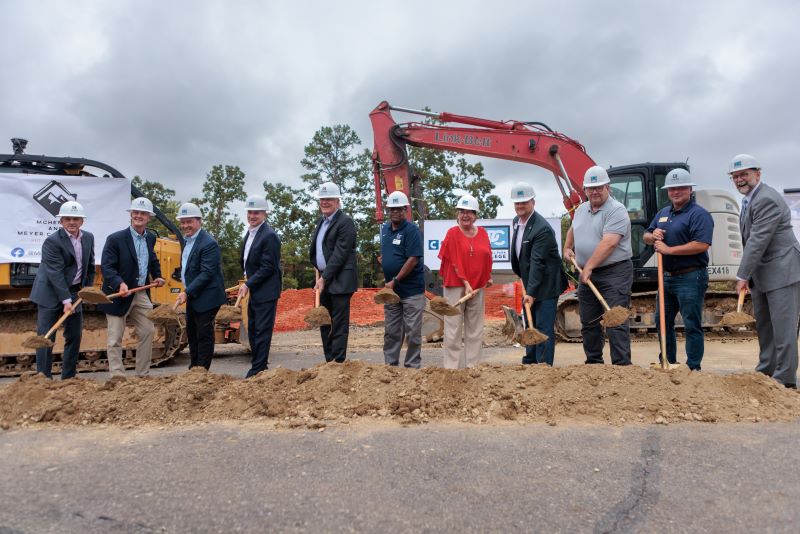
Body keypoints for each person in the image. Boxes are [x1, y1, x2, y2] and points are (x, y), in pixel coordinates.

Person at [730, 154, 800, 388]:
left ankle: (785, 380)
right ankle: (766, 371)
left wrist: (742, 275)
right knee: (766, 327)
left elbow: (758, 240)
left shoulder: (766, 199)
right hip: (763, 273)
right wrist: (749, 274)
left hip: (782, 271)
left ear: (757, 174)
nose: (740, 179)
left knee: (783, 329)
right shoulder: (749, 199)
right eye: (736, 176)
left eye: (744, 174)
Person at [643, 169, 713, 371]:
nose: (676, 192)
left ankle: (693, 368)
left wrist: (669, 250)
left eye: (681, 188)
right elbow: (647, 235)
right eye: (672, 189)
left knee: (692, 323)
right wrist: (652, 235)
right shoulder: (664, 213)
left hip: (691, 276)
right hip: (666, 277)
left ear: (690, 189)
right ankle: (668, 361)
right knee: (662, 322)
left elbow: (702, 244)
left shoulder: (699, 214)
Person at [563, 166, 633, 366]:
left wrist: (589, 267)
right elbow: (574, 230)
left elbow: (609, 243)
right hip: (588, 273)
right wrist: (567, 248)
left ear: (608, 187)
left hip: (615, 273)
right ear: (584, 189)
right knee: (589, 322)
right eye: (590, 188)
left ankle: (621, 367)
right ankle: (594, 363)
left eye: (599, 187)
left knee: (615, 320)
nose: (594, 191)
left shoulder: (616, 210)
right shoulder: (581, 210)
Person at [99, 197, 166, 377]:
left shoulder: (150, 238)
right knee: (115, 338)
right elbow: (107, 267)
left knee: (148, 331)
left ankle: (142, 374)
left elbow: (152, 259)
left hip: (140, 292)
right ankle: (118, 376)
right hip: (118, 293)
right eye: (135, 212)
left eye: (142, 213)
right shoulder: (115, 239)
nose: (138, 216)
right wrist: (120, 283)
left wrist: (158, 275)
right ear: (131, 215)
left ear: (148, 217)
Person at [29, 200, 95, 379]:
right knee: (46, 337)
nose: (72, 222)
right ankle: (43, 378)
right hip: (50, 292)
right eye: (67, 219)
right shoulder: (52, 242)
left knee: (74, 336)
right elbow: (55, 273)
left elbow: (89, 266)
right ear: (61, 221)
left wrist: (86, 290)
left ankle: (68, 377)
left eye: (76, 219)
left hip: (74, 292)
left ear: (82, 221)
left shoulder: (88, 237)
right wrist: (66, 301)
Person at [509, 182, 567, 366]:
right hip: (531, 281)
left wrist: (531, 293)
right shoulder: (516, 222)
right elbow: (522, 256)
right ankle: (530, 359)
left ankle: (543, 365)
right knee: (529, 323)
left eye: (524, 202)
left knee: (542, 326)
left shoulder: (541, 228)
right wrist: (524, 279)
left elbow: (538, 263)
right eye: (517, 203)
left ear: (533, 202)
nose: (520, 206)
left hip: (547, 285)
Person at [437, 194, 493, 369]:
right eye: (462, 211)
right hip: (456, 285)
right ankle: (451, 368)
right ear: (457, 215)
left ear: (475, 215)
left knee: (475, 327)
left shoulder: (483, 233)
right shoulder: (452, 233)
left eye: (469, 212)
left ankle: (473, 367)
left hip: (477, 287)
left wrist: (487, 276)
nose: (465, 215)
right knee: (453, 327)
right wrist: (466, 283)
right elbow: (454, 261)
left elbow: (487, 256)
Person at [309, 182, 358, 363]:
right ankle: (328, 361)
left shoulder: (345, 222)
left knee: (338, 323)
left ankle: (338, 361)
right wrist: (319, 269)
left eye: (329, 199)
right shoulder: (321, 222)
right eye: (322, 199)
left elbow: (340, 253)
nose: (325, 202)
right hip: (325, 279)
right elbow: (318, 249)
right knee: (324, 320)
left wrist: (325, 277)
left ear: (338, 201)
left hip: (340, 280)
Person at [174, 202, 226, 370]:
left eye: (189, 221)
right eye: (182, 222)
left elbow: (207, 273)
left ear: (199, 221)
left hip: (207, 297)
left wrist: (186, 292)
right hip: (195, 295)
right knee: (192, 333)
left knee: (203, 334)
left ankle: (202, 370)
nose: (185, 226)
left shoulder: (208, 243)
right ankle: (194, 367)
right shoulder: (187, 241)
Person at [379, 191, 425, 368]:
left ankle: (412, 366)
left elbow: (413, 259)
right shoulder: (385, 229)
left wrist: (395, 280)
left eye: (398, 209)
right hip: (391, 292)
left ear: (405, 210)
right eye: (392, 209)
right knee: (391, 331)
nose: (395, 212)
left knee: (413, 331)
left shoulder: (412, 230)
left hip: (411, 291)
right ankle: (390, 366)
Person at [239, 195, 282, 378]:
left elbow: (268, 267)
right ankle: (258, 366)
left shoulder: (269, 236)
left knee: (262, 331)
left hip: (266, 291)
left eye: (256, 212)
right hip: (256, 290)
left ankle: (258, 369)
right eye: (250, 212)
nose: (252, 215)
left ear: (265, 213)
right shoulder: (250, 233)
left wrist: (249, 283)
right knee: (253, 330)